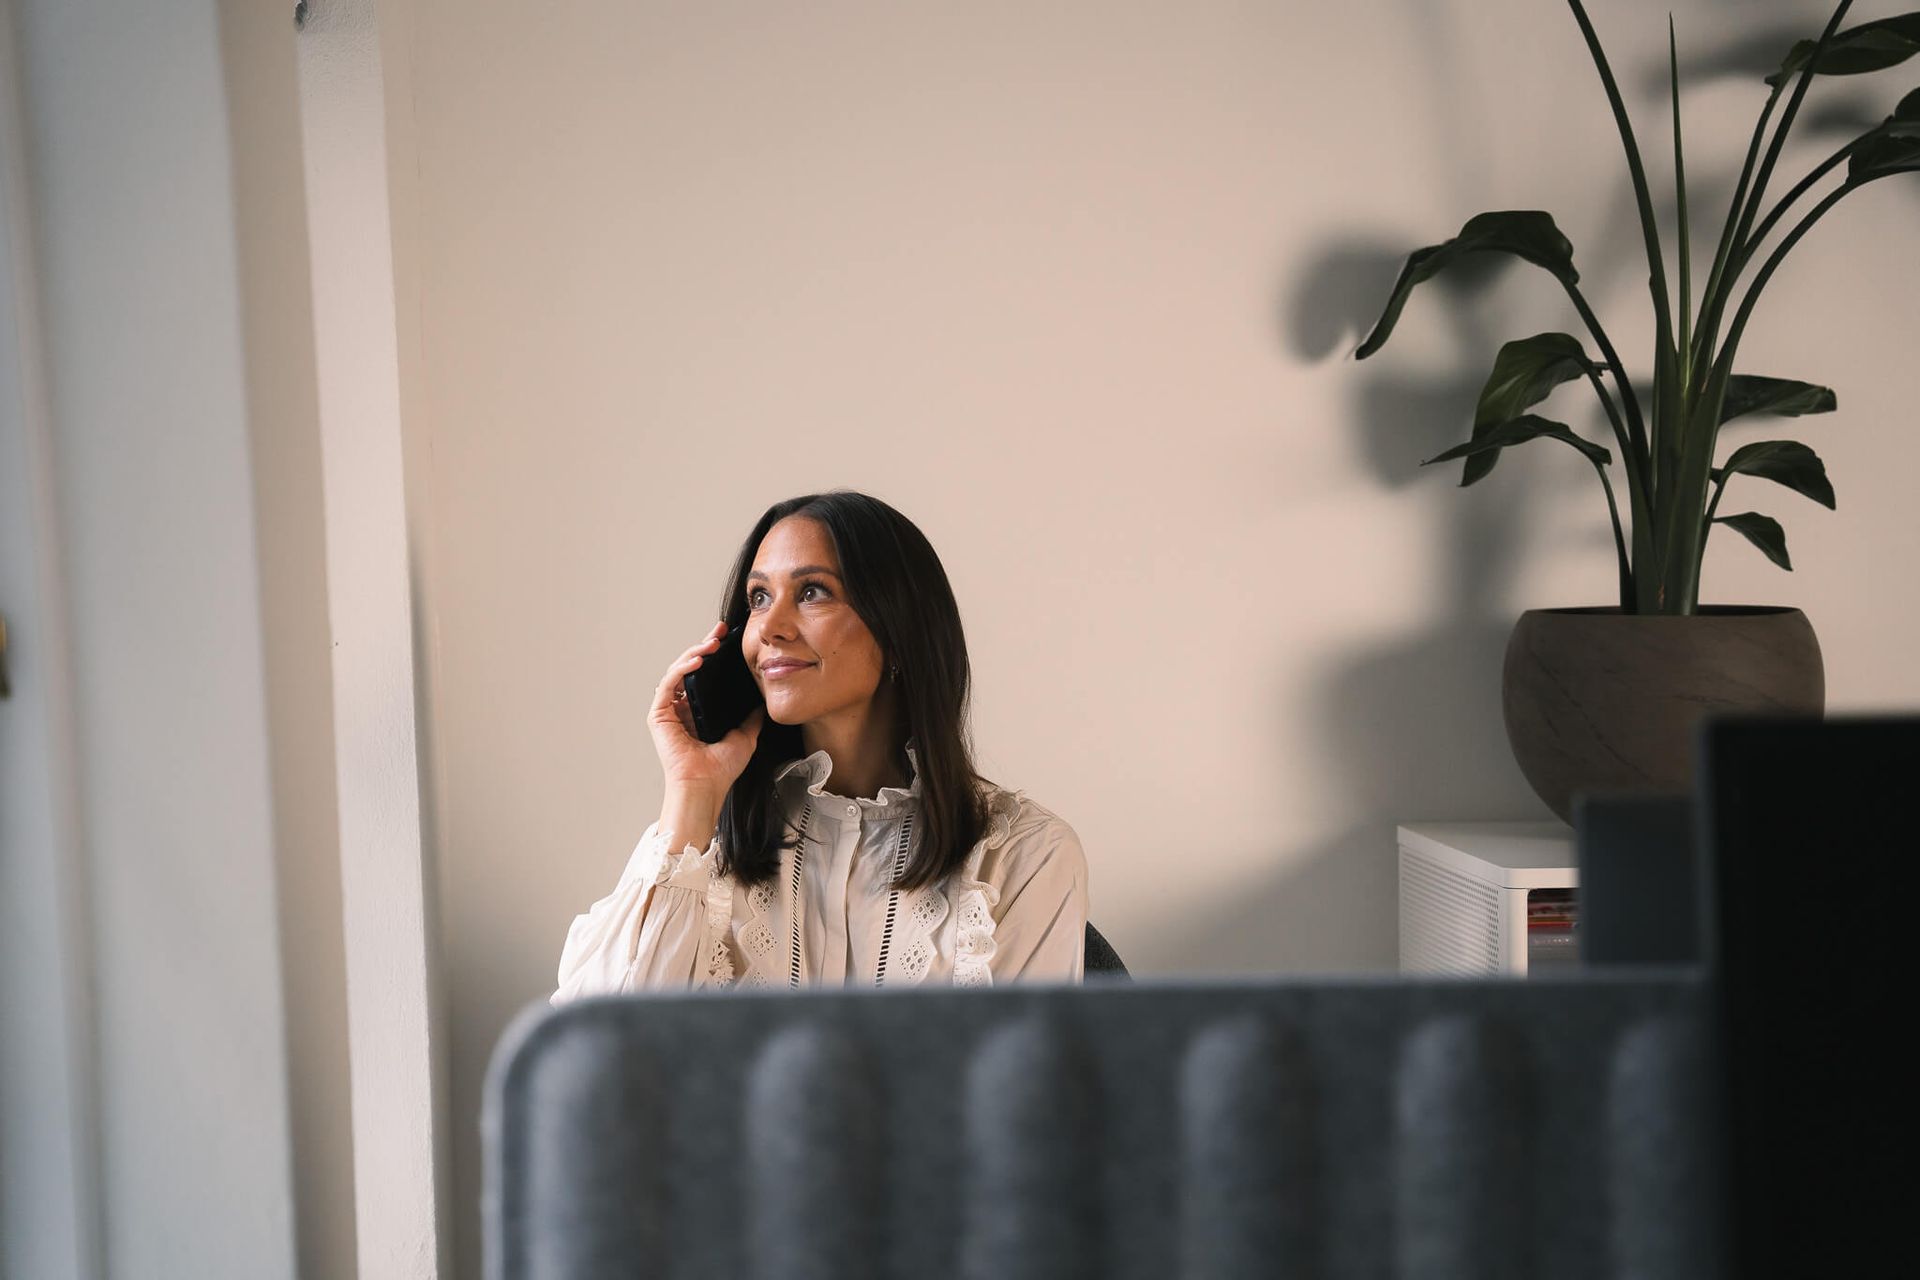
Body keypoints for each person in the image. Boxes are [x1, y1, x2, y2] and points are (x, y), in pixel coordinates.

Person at [552, 491, 1090, 997]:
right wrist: (690, 791)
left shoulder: (1025, 857)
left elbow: (1022, 1086)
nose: (770, 627)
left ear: (898, 626)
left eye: (812, 592)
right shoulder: (700, 851)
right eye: (759, 598)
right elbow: (605, 1054)